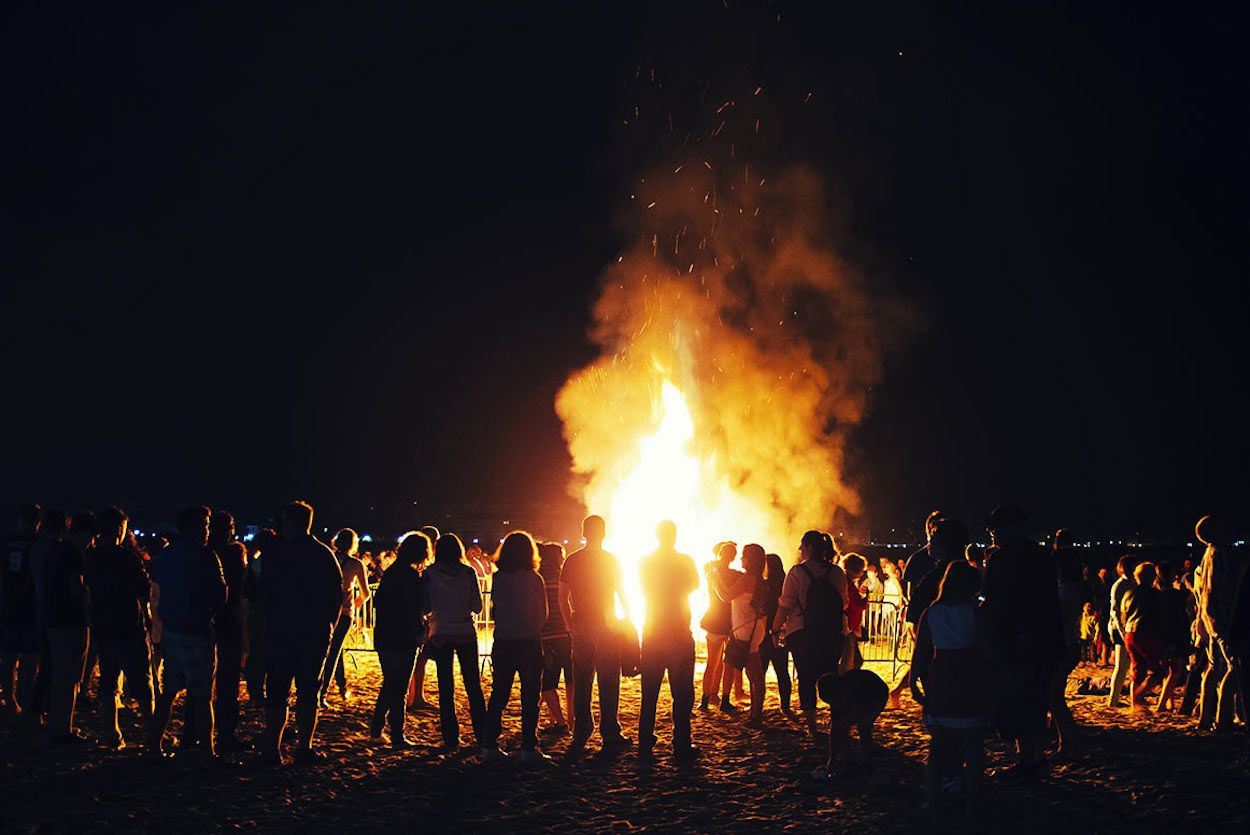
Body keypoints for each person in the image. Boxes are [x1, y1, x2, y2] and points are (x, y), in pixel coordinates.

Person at [980, 505, 1064, 777]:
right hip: (1045, 638)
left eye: (996, 528)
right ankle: (1034, 757)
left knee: (1017, 698)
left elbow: (993, 600)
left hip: (1014, 639)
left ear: (1010, 528)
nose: (992, 533)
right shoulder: (1042, 555)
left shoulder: (1001, 558)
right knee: (1036, 698)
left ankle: (1028, 759)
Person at [261, 501, 343, 764]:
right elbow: (335, 597)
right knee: (308, 691)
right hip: (313, 632)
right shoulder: (323, 554)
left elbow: (264, 592)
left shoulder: (277, 553)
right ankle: (304, 748)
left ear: (289, 522)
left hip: (281, 631)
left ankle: (273, 748)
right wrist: (328, 625)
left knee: (277, 691)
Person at [910, 561, 992, 822]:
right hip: (969, 675)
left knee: (938, 746)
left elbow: (920, 651)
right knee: (973, 747)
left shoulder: (932, 613)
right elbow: (987, 649)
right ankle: (973, 804)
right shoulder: (976, 613)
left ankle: (932, 801)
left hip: (942, 676)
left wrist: (913, 681)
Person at [147, 505, 226, 757]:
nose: (207, 530)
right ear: (193, 527)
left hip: (172, 630)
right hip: (197, 630)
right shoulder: (206, 556)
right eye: (204, 525)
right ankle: (207, 751)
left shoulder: (166, 555)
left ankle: (154, 745)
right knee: (203, 695)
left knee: (168, 692)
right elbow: (221, 596)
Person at [558, 514, 632, 751]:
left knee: (582, 680)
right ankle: (610, 731)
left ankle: (581, 732)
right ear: (604, 533)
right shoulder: (611, 560)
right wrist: (627, 619)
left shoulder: (572, 560)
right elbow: (621, 591)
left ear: (583, 533)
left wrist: (570, 624)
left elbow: (563, 596)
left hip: (582, 624)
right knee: (609, 678)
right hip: (607, 624)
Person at [84, 506, 153, 749]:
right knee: (142, 682)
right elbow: (144, 590)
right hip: (128, 624)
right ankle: (151, 732)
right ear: (120, 529)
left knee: (108, 681)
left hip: (103, 624)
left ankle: (111, 731)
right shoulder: (126, 557)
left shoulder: (90, 556)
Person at [772, 531, 848, 737]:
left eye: (802, 546)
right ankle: (836, 720)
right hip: (833, 632)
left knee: (805, 677)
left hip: (802, 632)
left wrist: (776, 628)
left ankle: (812, 726)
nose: (799, 549)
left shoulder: (797, 572)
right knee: (831, 674)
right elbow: (844, 602)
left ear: (809, 548)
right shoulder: (837, 573)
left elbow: (785, 603)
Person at [483, 531, 549, 764]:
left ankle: (490, 745)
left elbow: (494, 609)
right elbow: (543, 614)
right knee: (530, 696)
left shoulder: (498, 578)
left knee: (499, 693)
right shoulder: (534, 579)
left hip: (503, 641)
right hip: (528, 641)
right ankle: (528, 748)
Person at [637, 520, 700, 759]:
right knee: (682, 692)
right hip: (679, 631)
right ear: (674, 536)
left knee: (649, 691)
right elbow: (694, 585)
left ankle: (645, 741)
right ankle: (681, 742)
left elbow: (643, 587)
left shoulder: (645, 562)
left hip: (653, 629)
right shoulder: (685, 561)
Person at [425, 532, 487, 752]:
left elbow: (425, 606)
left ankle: (451, 738)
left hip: (440, 631)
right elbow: (478, 606)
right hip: (464, 630)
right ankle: (482, 735)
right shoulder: (468, 573)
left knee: (445, 686)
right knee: (473, 686)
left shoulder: (429, 573)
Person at [370, 531, 430, 748]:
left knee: (390, 683)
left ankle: (377, 728)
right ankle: (397, 735)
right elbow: (417, 607)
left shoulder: (390, 573)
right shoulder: (413, 577)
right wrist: (420, 629)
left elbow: (379, 603)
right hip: (405, 635)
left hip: (385, 635)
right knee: (400, 687)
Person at [46, 512, 94, 744]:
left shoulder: (55, 549)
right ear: (84, 533)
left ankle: (56, 724)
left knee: (59, 675)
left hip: (54, 618)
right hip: (72, 619)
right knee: (71, 676)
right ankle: (64, 728)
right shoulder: (74, 553)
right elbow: (77, 588)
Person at [201, 510, 246, 750]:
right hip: (227, 624)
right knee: (228, 684)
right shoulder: (233, 555)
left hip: (204, 623)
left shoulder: (203, 554)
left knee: (202, 684)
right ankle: (226, 735)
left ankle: (195, 734)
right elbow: (236, 598)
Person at [1194, 516, 1243, 732]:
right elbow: (1223, 589)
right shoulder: (1220, 555)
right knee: (1236, 667)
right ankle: (1223, 719)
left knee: (1213, 668)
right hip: (1223, 619)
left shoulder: (1207, 555)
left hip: (1210, 618)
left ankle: (1206, 717)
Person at [320, 528, 373, 708]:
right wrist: (353, 605)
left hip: (325, 610)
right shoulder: (356, 564)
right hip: (344, 614)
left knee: (333, 649)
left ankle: (341, 685)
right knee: (333, 652)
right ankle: (323, 692)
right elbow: (365, 593)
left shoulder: (328, 559)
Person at [0, 504, 42, 716]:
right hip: (31, 606)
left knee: (8, 654)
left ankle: (9, 697)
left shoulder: (7, 543)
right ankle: (26, 698)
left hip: (9, 603)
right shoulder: (37, 543)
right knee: (30, 656)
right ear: (37, 523)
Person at [722, 543, 768, 726]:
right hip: (750, 630)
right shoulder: (756, 579)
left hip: (747, 632)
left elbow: (726, 595)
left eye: (743, 555)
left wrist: (713, 577)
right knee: (752, 673)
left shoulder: (749, 578)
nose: (741, 558)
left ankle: (757, 715)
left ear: (751, 559)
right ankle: (755, 712)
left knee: (756, 675)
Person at [816, 668, 889, 779]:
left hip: (877, 696)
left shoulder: (858, 689)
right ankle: (847, 759)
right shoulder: (837, 696)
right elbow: (835, 727)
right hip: (859, 697)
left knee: (863, 725)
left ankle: (866, 760)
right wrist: (832, 758)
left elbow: (863, 713)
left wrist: (850, 719)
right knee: (840, 725)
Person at [1048, 529, 1084, 756]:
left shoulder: (1066, 591)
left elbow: (1061, 618)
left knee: (1054, 696)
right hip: (1069, 644)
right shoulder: (1072, 588)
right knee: (1054, 695)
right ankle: (1064, 739)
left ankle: (1069, 741)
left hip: (1064, 645)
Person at [1119, 561, 1170, 711]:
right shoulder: (1155, 594)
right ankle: (1138, 697)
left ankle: (1135, 705)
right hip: (1147, 634)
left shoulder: (1129, 593)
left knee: (1137, 670)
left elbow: (1123, 614)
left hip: (1129, 633)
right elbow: (1161, 616)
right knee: (1156, 672)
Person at [537, 542, 573, 734]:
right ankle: (572, 719)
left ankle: (559, 722)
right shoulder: (565, 577)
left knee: (548, 682)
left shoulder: (538, 578)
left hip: (547, 635)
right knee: (571, 680)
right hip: (568, 634)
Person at [698, 541, 738, 712]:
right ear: (734, 557)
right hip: (730, 621)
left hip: (714, 619)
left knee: (712, 662)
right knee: (726, 662)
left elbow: (708, 566)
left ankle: (706, 699)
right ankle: (724, 699)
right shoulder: (736, 575)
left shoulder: (710, 570)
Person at [407, 524, 442, 711]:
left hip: (417, 617)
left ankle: (415, 695)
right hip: (420, 618)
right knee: (419, 658)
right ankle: (414, 697)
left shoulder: (414, 566)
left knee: (419, 658)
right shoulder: (424, 569)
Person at [242, 527, 277, 705]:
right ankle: (257, 691)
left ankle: (255, 690)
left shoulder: (256, 563)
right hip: (265, 614)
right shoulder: (266, 563)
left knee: (256, 654)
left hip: (256, 612)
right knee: (262, 654)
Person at [760, 553, 792, 716]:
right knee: (782, 670)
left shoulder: (764, 586)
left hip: (766, 632)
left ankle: (757, 706)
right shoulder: (785, 584)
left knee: (761, 671)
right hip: (781, 632)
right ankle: (785, 705)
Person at [1106, 555, 1136, 707]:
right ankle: (1113, 699)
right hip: (1121, 628)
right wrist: (1121, 631)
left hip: (1128, 627)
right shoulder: (1120, 584)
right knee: (1122, 665)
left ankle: (1118, 698)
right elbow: (1115, 611)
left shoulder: (1131, 583)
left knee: (1127, 665)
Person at [841, 554, 869, 671]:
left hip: (846, 627)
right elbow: (856, 605)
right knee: (854, 660)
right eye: (861, 570)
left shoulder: (844, 581)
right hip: (847, 628)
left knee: (851, 659)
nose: (862, 573)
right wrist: (866, 598)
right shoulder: (848, 584)